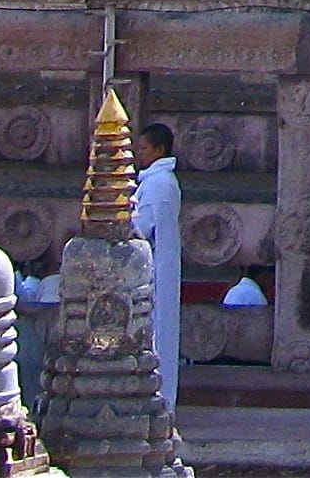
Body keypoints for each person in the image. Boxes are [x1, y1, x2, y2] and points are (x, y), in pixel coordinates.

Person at [131, 121, 184, 406]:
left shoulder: (159, 184)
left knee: (155, 333)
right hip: (157, 266)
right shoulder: (155, 182)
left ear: (159, 150)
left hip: (154, 268)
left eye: (144, 148)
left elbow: (142, 226)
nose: (140, 154)